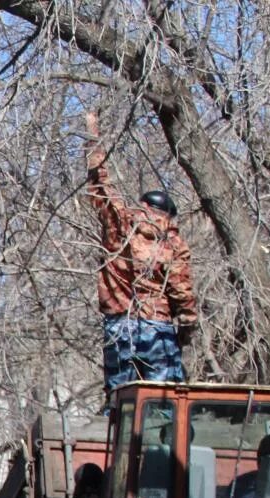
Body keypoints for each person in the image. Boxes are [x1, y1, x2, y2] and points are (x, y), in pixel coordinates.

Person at [84, 109, 199, 392]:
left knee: (121, 398)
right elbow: (181, 291)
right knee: (164, 401)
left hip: (118, 325)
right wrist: (186, 324)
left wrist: (92, 133)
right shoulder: (170, 241)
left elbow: (99, 183)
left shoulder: (119, 224)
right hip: (156, 326)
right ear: (168, 214)